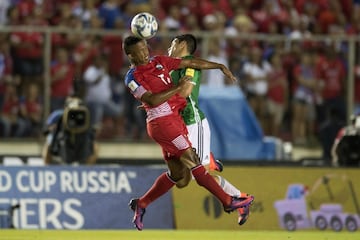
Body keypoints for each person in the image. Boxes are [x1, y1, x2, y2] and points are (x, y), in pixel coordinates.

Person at [123, 36, 254, 231]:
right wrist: (175, 88)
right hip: (164, 122)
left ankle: (141, 204)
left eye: (145, 48)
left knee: (179, 177)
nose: (144, 53)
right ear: (130, 55)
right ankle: (229, 200)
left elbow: (191, 62)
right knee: (194, 163)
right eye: (139, 51)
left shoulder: (159, 61)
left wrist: (219, 65)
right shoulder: (132, 77)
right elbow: (152, 99)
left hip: (176, 120)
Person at [168, 33, 253, 225]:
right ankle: (211, 162)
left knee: (201, 175)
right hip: (177, 125)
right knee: (182, 181)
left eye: (172, 43)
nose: (168, 48)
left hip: (192, 122)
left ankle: (241, 199)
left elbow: (185, 92)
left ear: (182, 44)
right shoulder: (173, 66)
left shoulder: (190, 63)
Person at [42, 96, 98, 165]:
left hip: (81, 138)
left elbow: (92, 129)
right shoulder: (58, 114)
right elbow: (46, 129)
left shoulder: (85, 115)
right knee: (49, 140)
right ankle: (47, 166)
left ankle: (87, 169)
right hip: (61, 138)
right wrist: (55, 128)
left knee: (94, 145)